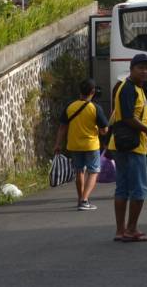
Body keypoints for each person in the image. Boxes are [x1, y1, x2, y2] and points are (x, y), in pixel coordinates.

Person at [109, 53, 147, 242]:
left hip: (122, 145)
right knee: (139, 190)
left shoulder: (135, 88)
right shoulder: (128, 89)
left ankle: (121, 230)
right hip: (131, 146)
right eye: (141, 68)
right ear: (131, 69)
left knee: (122, 189)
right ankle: (130, 229)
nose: (145, 71)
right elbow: (128, 118)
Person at [53, 78, 109, 211]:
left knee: (79, 171)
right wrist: (100, 131)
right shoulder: (95, 108)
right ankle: (84, 200)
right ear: (93, 91)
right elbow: (105, 130)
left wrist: (57, 144)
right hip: (91, 145)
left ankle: (81, 199)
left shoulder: (70, 106)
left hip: (74, 145)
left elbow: (62, 127)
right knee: (94, 171)